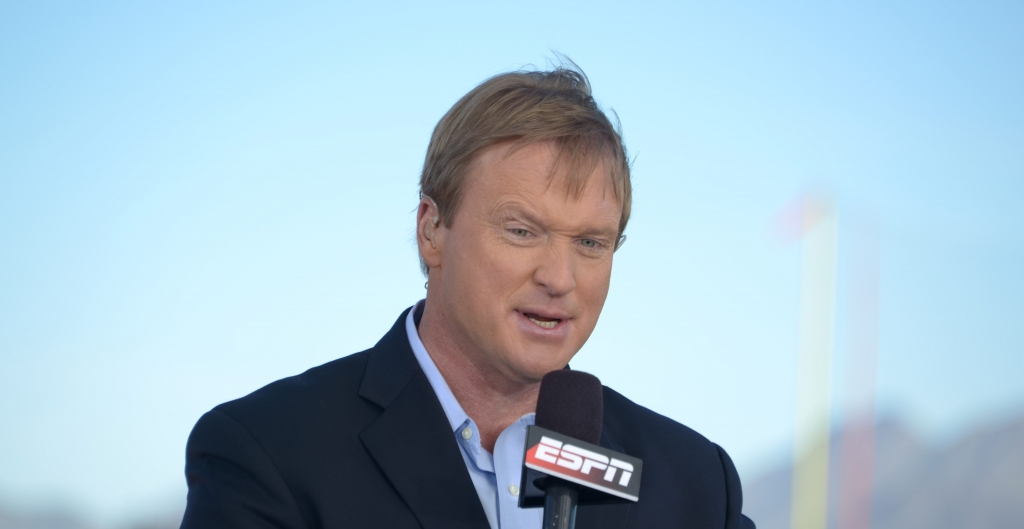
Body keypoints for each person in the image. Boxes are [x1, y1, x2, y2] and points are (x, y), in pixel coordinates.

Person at [180, 64, 755, 529]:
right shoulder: (269, 453)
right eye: (522, 230)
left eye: (590, 242)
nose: (560, 277)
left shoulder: (697, 485)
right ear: (432, 229)